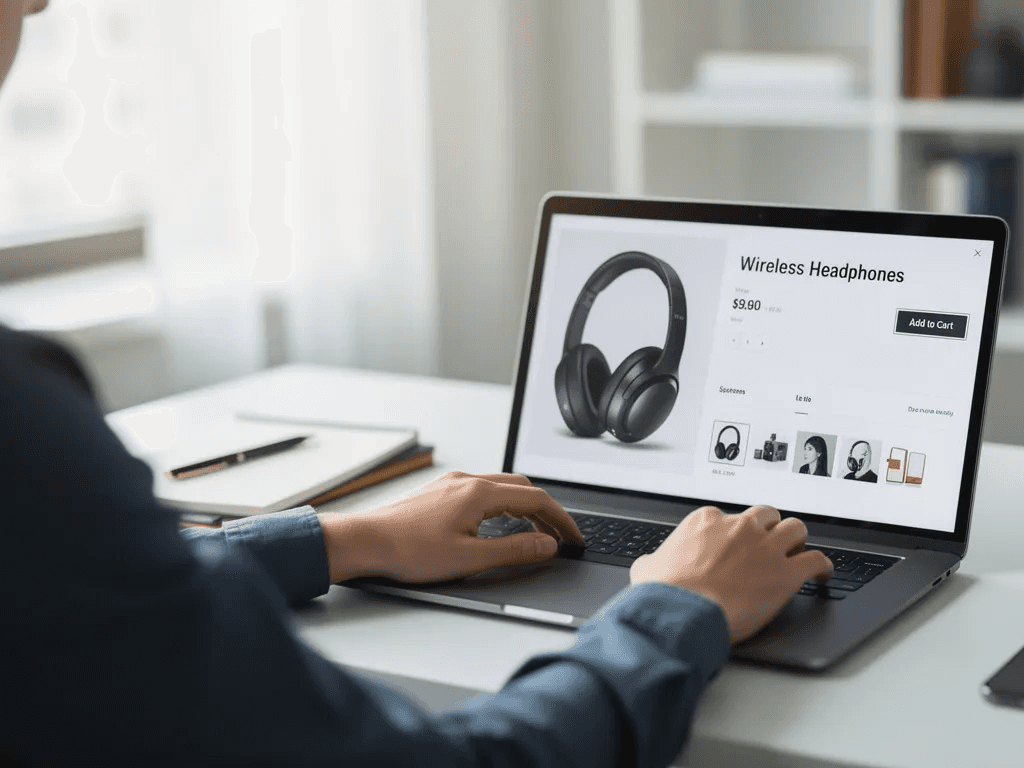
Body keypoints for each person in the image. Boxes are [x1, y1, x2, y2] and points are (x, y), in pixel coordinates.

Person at [0, 2, 832, 766]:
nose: (41, 4)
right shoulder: (24, 420)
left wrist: (348, 540)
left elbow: (79, 604)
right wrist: (676, 610)